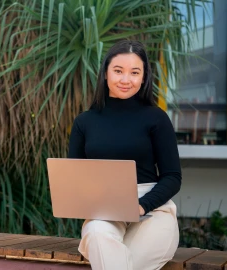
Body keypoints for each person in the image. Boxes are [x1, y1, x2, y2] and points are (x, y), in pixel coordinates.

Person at [68, 40, 182, 270]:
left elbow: (172, 176)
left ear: (143, 78)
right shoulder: (84, 122)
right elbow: (74, 177)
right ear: (105, 73)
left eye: (134, 72)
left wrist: (140, 206)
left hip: (153, 208)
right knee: (99, 237)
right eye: (118, 71)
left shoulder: (156, 118)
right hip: (104, 211)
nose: (125, 79)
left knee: (123, 260)